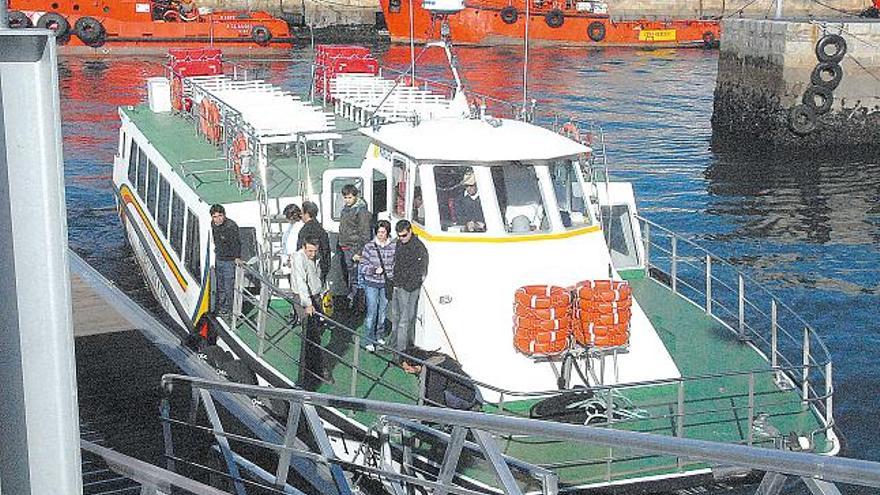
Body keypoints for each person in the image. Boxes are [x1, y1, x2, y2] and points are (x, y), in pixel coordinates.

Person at [291, 236, 330, 386]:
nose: (313, 254)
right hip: (303, 298)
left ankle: (313, 367)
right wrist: (307, 303)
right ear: (303, 247)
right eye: (310, 251)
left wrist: (323, 290)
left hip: (315, 295)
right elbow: (301, 282)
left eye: (315, 251)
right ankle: (316, 370)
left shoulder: (315, 256)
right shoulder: (299, 259)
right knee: (310, 332)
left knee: (315, 332)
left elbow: (317, 275)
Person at [400, 347, 482, 410]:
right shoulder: (437, 357)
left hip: (465, 399)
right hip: (474, 392)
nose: (407, 372)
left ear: (416, 365)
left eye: (408, 369)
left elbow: (435, 396)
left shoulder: (432, 370)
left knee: (430, 396)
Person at [390, 220, 428, 352]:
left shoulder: (418, 248)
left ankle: (401, 352)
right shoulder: (399, 243)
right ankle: (393, 345)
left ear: (410, 231)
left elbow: (421, 269)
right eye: (399, 236)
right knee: (396, 317)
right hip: (398, 284)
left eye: (404, 235)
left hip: (409, 288)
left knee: (405, 320)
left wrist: (409, 285)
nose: (401, 238)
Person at [359, 220, 396, 351]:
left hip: (386, 284)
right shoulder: (369, 247)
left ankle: (379, 335)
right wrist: (374, 270)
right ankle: (369, 339)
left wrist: (391, 275)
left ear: (388, 232)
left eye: (383, 232)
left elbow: (395, 265)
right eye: (379, 232)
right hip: (372, 284)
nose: (380, 235)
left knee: (382, 312)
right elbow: (362, 266)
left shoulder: (393, 246)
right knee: (372, 311)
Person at [337, 184, 372, 307]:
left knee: (356, 277)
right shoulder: (346, 209)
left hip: (354, 248)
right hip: (346, 247)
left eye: (349, 197)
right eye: (345, 197)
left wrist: (359, 252)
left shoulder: (361, 212)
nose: (347, 200)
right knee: (351, 276)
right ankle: (353, 299)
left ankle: (357, 303)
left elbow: (365, 234)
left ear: (356, 196)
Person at [210, 204, 240, 316]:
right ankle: (222, 307)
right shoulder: (213, 225)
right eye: (215, 217)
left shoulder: (231, 226)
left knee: (229, 287)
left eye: (220, 216)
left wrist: (237, 257)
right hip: (219, 259)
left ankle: (232, 311)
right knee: (220, 285)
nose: (218, 219)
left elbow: (237, 243)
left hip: (229, 261)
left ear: (224, 215)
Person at [297, 201, 331, 285]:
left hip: (310, 266)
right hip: (321, 265)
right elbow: (326, 249)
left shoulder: (306, 230)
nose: (301, 216)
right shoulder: (320, 229)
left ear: (307, 214)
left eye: (302, 213)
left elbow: (301, 250)